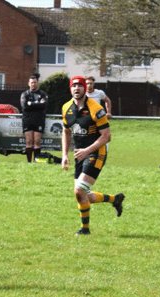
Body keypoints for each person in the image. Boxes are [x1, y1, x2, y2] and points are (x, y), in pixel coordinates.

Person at [61, 75, 125, 235]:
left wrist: (87, 151)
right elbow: (66, 131)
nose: (77, 88)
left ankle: (85, 229)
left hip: (96, 152)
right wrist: (64, 155)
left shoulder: (96, 109)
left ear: (85, 88)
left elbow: (106, 136)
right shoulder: (66, 108)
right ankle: (115, 199)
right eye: (73, 86)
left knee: (79, 191)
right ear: (70, 88)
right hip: (80, 154)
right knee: (83, 195)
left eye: (80, 85)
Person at [20, 74, 48, 163]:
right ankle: (29, 162)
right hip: (27, 120)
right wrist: (38, 104)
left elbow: (44, 105)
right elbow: (24, 106)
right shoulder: (25, 94)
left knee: (37, 142)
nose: (33, 84)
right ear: (29, 83)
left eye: (35, 82)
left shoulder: (43, 94)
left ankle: (36, 161)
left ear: (37, 83)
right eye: (32, 82)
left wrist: (31, 104)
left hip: (39, 120)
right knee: (28, 142)